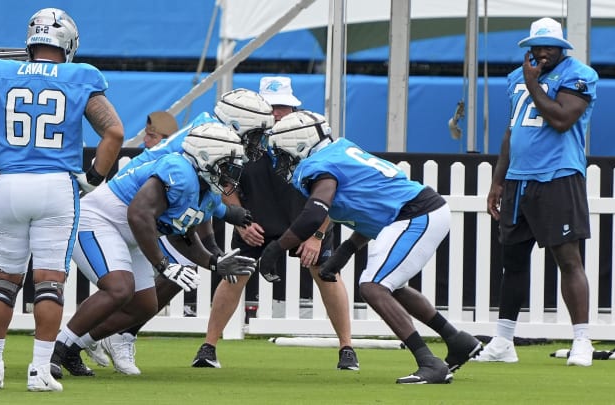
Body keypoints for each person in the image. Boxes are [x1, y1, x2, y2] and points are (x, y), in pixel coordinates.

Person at [0, 7, 124, 392]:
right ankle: (39, 371)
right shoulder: (80, 77)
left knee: (3, 279)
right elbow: (113, 132)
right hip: (55, 185)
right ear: (68, 43)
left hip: (10, 183)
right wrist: (94, 178)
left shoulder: (0, 72)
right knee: (49, 282)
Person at [259, 111, 482, 384]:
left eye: (282, 153)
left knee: (372, 286)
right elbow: (372, 209)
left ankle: (428, 362)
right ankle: (457, 340)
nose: (280, 160)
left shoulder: (319, 165)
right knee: (391, 287)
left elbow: (314, 214)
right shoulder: (339, 150)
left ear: (299, 144)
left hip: (415, 214)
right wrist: (345, 252)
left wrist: (276, 248)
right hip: (417, 211)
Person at [83, 89, 273, 375]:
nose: (259, 141)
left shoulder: (214, 131)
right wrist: (211, 248)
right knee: (158, 274)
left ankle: (108, 334)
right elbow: (194, 195)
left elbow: (201, 199)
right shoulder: (211, 137)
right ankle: (103, 334)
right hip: (137, 205)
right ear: (238, 123)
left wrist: (213, 248)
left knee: (164, 277)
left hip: (157, 206)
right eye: (256, 133)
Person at [50, 122, 256, 379]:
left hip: (130, 233)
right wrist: (163, 264)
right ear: (206, 158)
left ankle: (74, 347)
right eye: (227, 165)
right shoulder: (178, 171)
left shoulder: (207, 192)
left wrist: (214, 262)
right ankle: (55, 351)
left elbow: (181, 231)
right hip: (99, 220)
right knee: (119, 288)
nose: (231, 174)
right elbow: (138, 214)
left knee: (144, 305)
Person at [191, 77, 359, 371]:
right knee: (233, 274)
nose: (278, 113)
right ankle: (208, 346)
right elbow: (226, 182)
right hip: (256, 223)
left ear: (294, 108)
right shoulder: (242, 137)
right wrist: (241, 220)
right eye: (271, 107)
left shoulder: (314, 139)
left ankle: (347, 348)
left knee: (328, 275)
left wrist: (318, 234)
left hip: (308, 223)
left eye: (283, 106)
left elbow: (337, 191)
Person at [474, 17, 598, 366]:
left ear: (562, 47)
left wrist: (533, 84)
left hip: (558, 175)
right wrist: (498, 180)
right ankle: (503, 340)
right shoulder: (516, 78)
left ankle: (582, 340)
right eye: (536, 46)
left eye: (549, 46)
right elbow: (511, 132)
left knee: (568, 259)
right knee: (512, 261)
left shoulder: (579, 74)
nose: (542, 52)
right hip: (518, 178)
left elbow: (561, 119)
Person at [83, 110, 181, 373]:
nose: (146, 141)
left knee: (152, 291)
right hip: (118, 227)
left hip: (141, 232)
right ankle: (94, 337)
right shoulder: (146, 164)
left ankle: (114, 336)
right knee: (119, 289)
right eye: (147, 135)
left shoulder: (173, 166)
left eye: (153, 136)